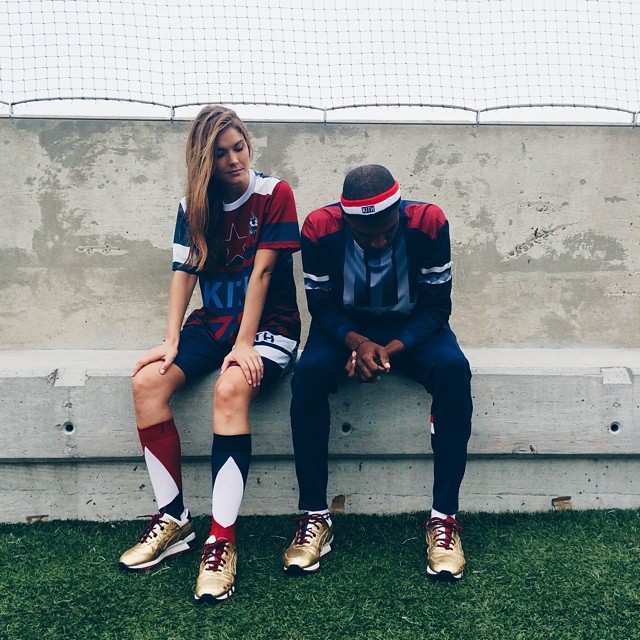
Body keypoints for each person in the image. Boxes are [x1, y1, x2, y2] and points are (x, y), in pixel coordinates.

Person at [117, 105, 301, 603]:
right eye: (221, 154)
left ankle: (221, 541)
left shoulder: (274, 194)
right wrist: (171, 339)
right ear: (204, 161)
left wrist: (245, 344)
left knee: (230, 387)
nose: (234, 159)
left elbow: (264, 272)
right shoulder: (192, 205)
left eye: (239, 147)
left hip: (270, 326)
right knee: (147, 382)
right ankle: (175, 519)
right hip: (213, 324)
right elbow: (184, 272)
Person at [283, 164, 472, 581]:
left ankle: (444, 519)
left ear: (399, 212)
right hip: (344, 332)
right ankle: (314, 515)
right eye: (365, 235)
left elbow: (437, 307)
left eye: (386, 231)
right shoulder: (319, 228)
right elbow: (321, 307)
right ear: (345, 219)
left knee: (454, 370)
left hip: (413, 331)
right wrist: (357, 343)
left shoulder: (429, 223)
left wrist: (385, 350)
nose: (379, 241)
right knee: (308, 373)